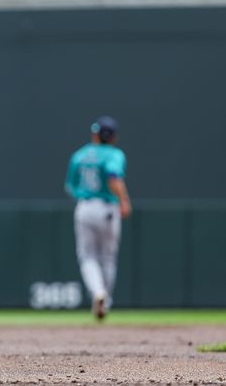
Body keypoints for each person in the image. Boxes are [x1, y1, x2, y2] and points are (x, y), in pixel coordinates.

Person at [64, 116, 132, 321]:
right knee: (107, 258)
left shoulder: (80, 155)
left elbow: (70, 186)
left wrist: (84, 197)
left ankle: (97, 292)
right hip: (107, 208)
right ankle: (105, 299)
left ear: (95, 134)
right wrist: (124, 201)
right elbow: (113, 177)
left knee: (87, 257)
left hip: (85, 208)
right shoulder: (114, 154)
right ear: (113, 137)